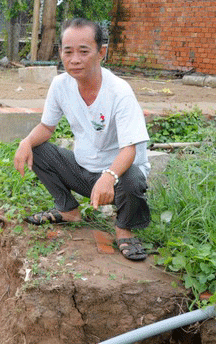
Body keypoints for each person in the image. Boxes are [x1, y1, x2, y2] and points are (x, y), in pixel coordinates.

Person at [13, 18, 151, 261]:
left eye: (84, 51)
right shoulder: (60, 85)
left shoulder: (119, 92)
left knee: (134, 177)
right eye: (68, 51)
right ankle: (68, 210)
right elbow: (46, 127)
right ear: (61, 53)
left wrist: (109, 176)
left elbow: (130, 149)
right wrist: (25, 142)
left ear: (101, 53)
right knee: (40, 149)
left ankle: (124, 229)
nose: (75, 59)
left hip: (118, 179)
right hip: (83, 171)